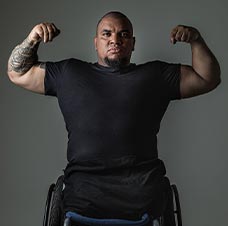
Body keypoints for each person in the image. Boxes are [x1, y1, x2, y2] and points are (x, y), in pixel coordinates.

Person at [7, 11, 220, 222]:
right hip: (84, 191)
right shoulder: (69, 73)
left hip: (141, 190)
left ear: (133, 43)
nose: (114, 40)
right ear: (96, 42)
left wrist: (196, 40)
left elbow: (207, 78)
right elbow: (18, 73)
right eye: (106, 34)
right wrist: (32, 38)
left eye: (124, 35)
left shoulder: (156, 76)